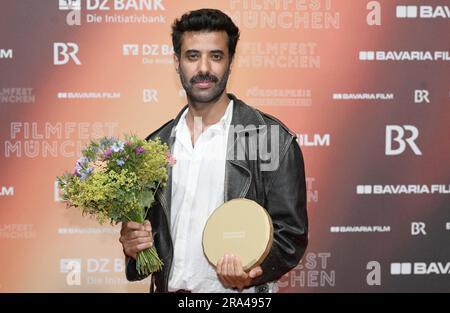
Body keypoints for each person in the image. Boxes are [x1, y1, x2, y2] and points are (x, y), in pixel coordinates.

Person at [119, 8, 308, 293]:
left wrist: (252, 272)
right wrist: (135, 248)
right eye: (192, 56)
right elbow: (150, 238)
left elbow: (290, 236)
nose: (204, 68)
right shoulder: (154, 146)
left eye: (216, 56)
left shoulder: (270, 139)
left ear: (230, 61)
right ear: (176, 61)